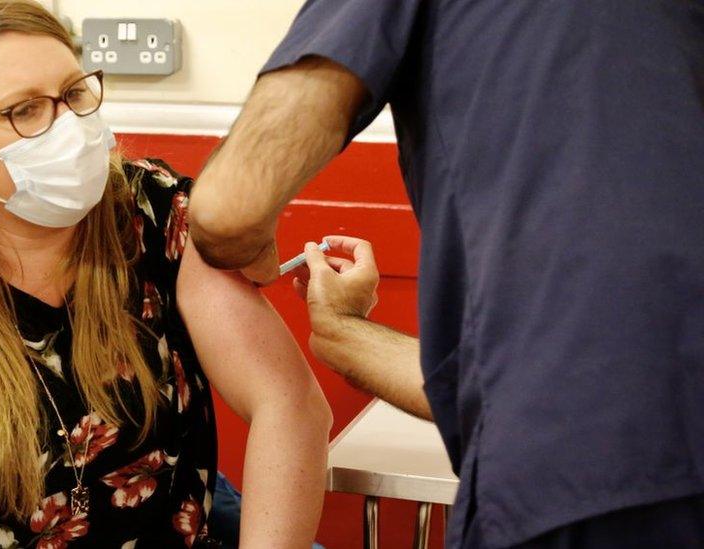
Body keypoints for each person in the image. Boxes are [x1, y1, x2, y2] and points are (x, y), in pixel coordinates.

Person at [188, 0, 704, 547]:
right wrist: (340, 329)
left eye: (85, 93)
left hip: (586, 475)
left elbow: (227, 212)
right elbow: (507, 383)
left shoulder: (160, 215)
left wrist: (253, 249)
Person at [0, 1, 332, 547]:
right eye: (25, 110)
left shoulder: (151, 214)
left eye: (75, 94)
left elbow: (288, 405)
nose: (70, 129)